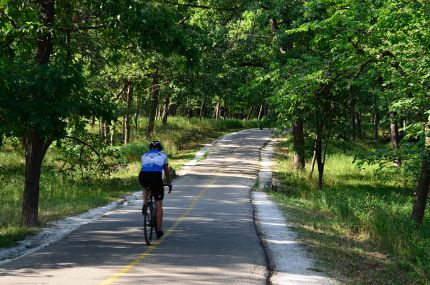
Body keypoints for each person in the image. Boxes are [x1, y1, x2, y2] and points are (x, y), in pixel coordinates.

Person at [139, 140, 171, 239]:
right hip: (156, 177)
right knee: (159, 205)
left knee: (146, 186)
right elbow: (166, 171)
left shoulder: (144, 155)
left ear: (150, 148)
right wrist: (169, 182)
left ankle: (145, 203)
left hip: (143, 176)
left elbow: (145, 167)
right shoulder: (163, 155)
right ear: (159, 148)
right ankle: (159, 230)